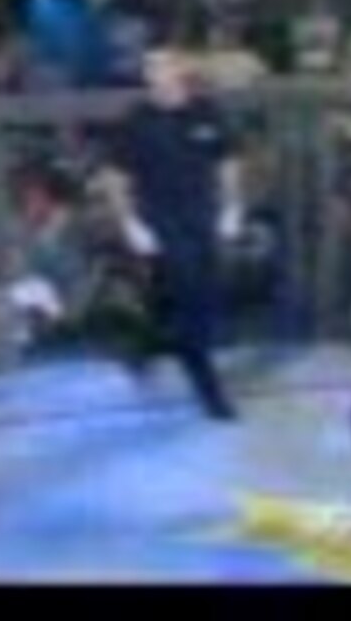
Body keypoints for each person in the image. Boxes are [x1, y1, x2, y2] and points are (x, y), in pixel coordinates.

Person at [99, 46, 245, 421]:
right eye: (150, 67)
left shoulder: (206, 111)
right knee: (190, 292)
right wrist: (130, 223)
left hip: (202, 214)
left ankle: (146, 344)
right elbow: (115, 176)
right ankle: (207, 384)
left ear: (180, 71)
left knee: (201, 291)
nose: (154, 73)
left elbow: (228, 160)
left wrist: (232, 206)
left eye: (162, 66)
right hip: (161, 218)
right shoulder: (136, 120)